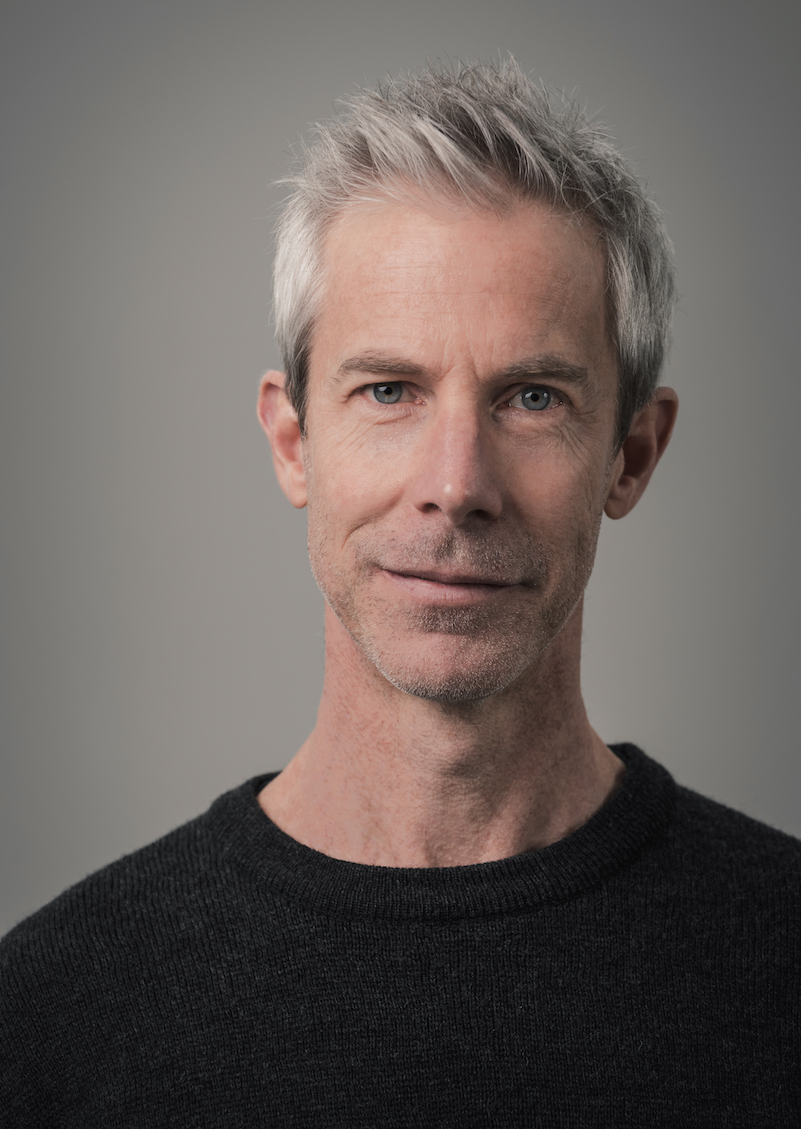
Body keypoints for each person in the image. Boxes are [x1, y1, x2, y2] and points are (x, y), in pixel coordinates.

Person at [2, 59, 799, 1127]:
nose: (456, 485)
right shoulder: (53, 1012)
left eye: (531, 397)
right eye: (388, 390)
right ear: (293, 440)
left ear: (632, 455)